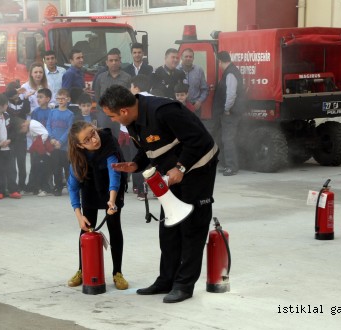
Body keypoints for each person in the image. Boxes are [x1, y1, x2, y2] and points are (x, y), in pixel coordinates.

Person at [100, 85, 218, 304]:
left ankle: (184, 285)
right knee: (169, 227)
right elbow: (150, 148)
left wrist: (181, 167)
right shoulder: (133, 121)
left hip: (199, 169)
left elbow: (199, 140)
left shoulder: (164, 110)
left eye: (112, 116)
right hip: (170, 172)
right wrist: (135, 164)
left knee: (192, 228)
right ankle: (166, 280)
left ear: (123, 110)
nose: (113, 120)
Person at [66, 121, 129, 290]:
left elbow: (114, 174)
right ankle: (82, 269)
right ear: (80, 145)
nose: (94, 140)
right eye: (87, 140)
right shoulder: (77, 157)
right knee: (86, 228)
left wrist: (112, 200)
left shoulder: (108, 142)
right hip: (90, 185)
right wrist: (79, 216)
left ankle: (118, 273)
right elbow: (73, 187)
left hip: (111, 186)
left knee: (114, 227)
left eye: (93, 133)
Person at [212, 51, 245, 176]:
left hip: (230, 113)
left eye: (218, 62)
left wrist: (226, 109)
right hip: (231, 112)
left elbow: (231, 94)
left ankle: (231, 166)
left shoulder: (230, 73)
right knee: (227, 139)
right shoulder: (231, 71)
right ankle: (228, 165)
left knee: (228, 139)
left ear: (220, 61)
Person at [93, 48, 131, 136]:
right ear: (107, 62)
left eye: (116, 60)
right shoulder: (100, 78)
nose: (113, 62)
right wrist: (100, 114)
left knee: (121, 142)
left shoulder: (127, 77)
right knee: (106, 140)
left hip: (121, 116)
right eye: (111, 60)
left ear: (120, 61)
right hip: (104, 116)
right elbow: (97, 96)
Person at [47, 89, 75, 196]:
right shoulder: (53, 112)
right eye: (58, 98)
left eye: (63, 98)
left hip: (65, 147)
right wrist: (52, 139)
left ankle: (70, 187)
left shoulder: (70, 114)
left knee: (68, 168)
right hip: (54, 146)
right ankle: (57, 187)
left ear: (68, 99)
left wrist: (61, 141)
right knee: (56, 168)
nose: (60, 100)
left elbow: (69, 130)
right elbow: (49, 126)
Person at [178, 48, 209, 116]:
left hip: (195, 107)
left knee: (195, 126)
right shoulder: (176, 70)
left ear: (193, 58)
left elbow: (205, 89)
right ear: (181, 57)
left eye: (190, 56)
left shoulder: (199, 70)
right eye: (186, 56)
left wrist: (199, 101)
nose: (188, 58)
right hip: (179, 107)